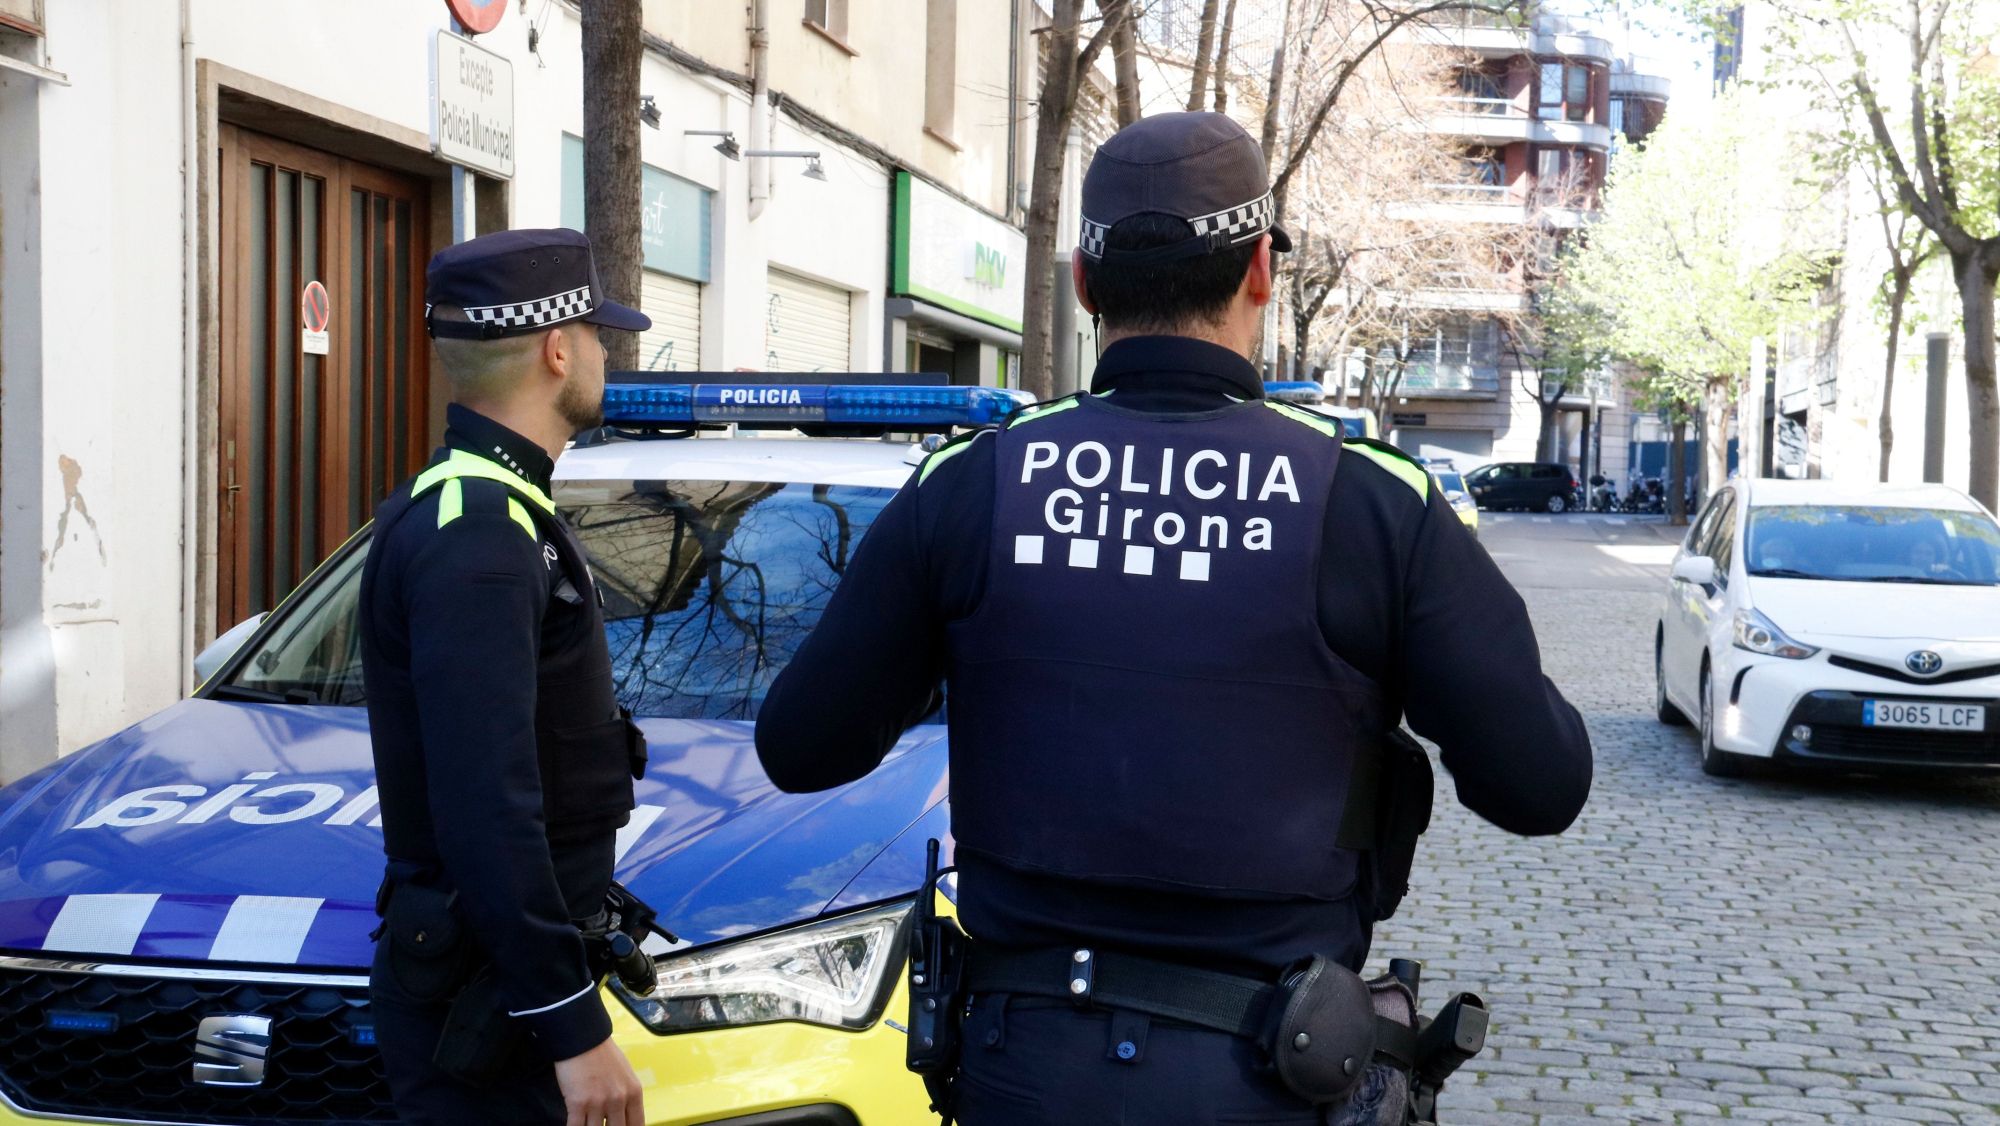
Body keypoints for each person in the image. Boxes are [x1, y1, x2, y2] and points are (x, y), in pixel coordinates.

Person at [755, 112, 1592, 1125]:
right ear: (1258, 272)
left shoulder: (973, 485)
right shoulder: (1368, 500)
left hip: (1024, 1067)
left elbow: (801, 746)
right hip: (1267, 1075)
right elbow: (1538, 785)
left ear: (1081, 281)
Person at [359, 228, 653, 1126]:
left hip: (497, 987)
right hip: (490, 1008)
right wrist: (570, 1024)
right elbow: (486, 803)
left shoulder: (485, 506)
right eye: (599, 335)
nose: (606, 353)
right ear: (558, 349)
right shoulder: (481, 533)